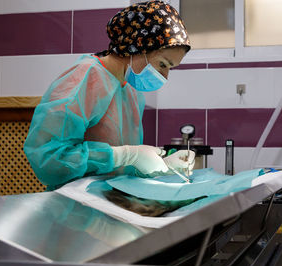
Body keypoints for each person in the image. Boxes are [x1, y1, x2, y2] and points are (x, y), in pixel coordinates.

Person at [24, 1, 195, 190]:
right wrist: (127, 155)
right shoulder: (86, 78)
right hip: (74, 208)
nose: (164, 77)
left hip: (111, 202)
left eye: (170, 68)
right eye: (163, 64)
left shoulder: (131, 90)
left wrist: (163, 165)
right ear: (137, 46)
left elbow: (119, 169)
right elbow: (48, 160)